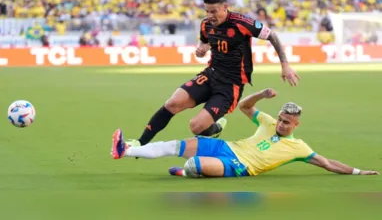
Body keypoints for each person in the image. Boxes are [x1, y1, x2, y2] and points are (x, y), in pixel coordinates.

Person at [125, 0, 300, 148]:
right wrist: (202, 48)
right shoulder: (205, 24)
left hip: (231, 84)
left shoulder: (242, 23)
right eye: (207, 11)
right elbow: (205, 40)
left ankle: (215, 128)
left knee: (196, 126)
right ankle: (139, 143)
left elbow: (272, 36)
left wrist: (285, 65)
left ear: (225, 7)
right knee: (172, 103)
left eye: (214, 11)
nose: (210, 15)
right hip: (211, 74)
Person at [111, 88, 379, 177]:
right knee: (173, 146)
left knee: (192, 164)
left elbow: (327, 163)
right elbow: (243, 106)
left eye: (287, 122)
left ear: (296, 125)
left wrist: (357, 171)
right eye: (282, 119)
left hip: (240, 165)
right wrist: (262, 94)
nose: (282, 124)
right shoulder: (268, 122)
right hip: (228, 147)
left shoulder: (299, 147)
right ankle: (125, 151)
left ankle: (185, 173)